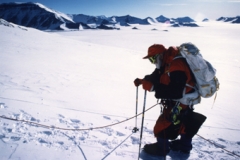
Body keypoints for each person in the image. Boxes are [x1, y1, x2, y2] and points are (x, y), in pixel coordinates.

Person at [134, 44, 206, 156]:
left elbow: (176, 92)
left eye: (153, 58)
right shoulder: (166, 62)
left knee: (164, 123)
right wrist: (143, 80)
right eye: (151, 60)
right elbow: (157, 75)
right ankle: (184, 146)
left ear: (160, 55)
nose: (153, 62)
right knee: (184, 122)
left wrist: (153, 87)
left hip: (182, 100)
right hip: (186, 99)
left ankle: (161, 148)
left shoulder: (176, 65)